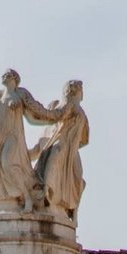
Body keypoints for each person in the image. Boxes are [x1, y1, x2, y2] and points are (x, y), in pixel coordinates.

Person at [0, 70, 58, 213]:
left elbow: (38, 111)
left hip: (12, 137)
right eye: (4, 74)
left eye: (8, 74)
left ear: (15, 78)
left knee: (7, 164)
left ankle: (27, 197)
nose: (4, 75)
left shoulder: (21, 94)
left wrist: (59, 114)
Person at [31, 79, 88, 217]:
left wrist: (73, 144)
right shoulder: (68, 104)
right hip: (62, 143)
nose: (80, 91)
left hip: (72, 149)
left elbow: (84, 139)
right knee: (55, 155)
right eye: (78, 89)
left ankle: (73, 212)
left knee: (79, 178)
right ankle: (46, 191)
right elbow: (56, 115)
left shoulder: (81, 112)